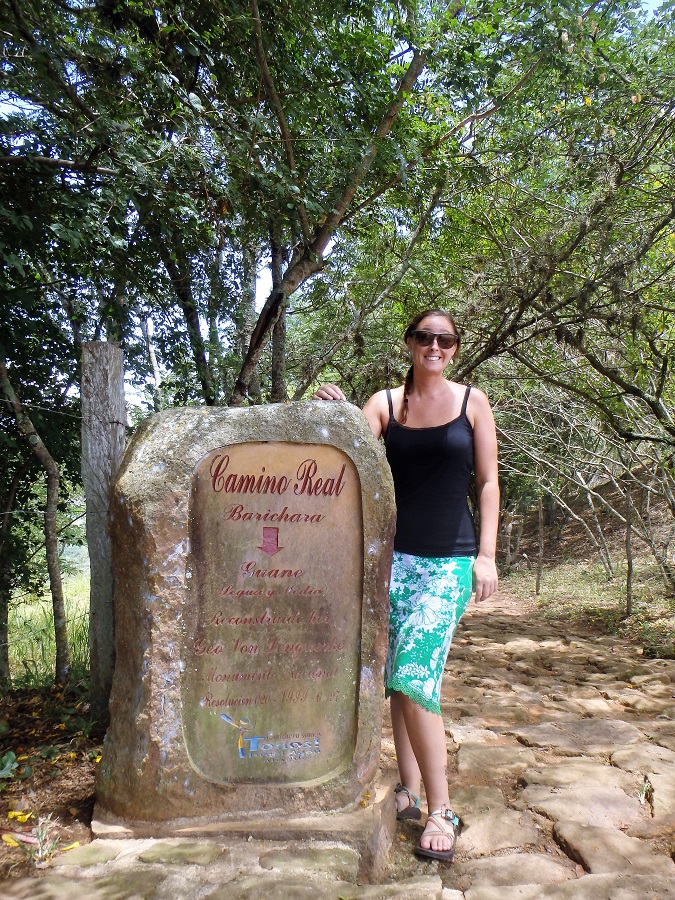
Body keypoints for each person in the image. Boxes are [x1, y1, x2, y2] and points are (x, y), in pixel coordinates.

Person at [314, 308, 499, 862]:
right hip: (393, 561)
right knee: (399, 679)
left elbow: (488, 482)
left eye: (445, 340)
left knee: (417, 672)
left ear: (455, 349)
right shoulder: (385, 405)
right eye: (425, 337)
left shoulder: (473, 403)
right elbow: (348, 449)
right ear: (409, 344)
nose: (434, 347)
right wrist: (333, 409)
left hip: (450, 561)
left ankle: (442, 807)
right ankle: (410, 791)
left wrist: (487, 556)